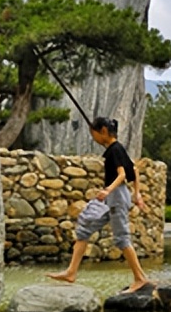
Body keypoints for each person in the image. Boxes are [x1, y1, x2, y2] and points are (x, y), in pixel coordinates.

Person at [48, 116, 151, 292]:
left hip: (116, 196)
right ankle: (71, 272)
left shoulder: (115, 150)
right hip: (114, 195)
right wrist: (137, 194)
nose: (93, 138)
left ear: (103, 131)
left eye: (93, 133)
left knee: (122, 238)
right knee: (86, 223)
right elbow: (133, 169)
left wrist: (107, 191)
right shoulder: (116, 149)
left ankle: (140, 278)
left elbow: (122, 175)